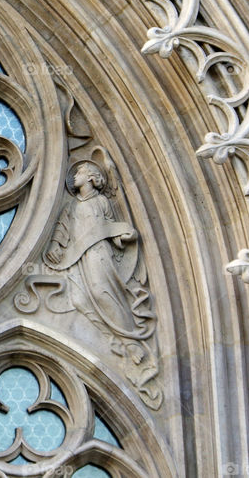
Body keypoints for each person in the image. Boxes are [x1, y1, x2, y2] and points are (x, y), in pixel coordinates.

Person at [44, 160, 160, 406]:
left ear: (92, 178)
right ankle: (116, 339)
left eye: (81, 172)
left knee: (102, 293)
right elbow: (63, 229)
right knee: (79, 299)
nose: (75, 174)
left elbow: (111, 230)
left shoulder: (102, 202)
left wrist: (123, 236)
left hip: (100, 253)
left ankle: (130, 342)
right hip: (78, 258)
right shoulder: (72, 206)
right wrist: (55, 245)